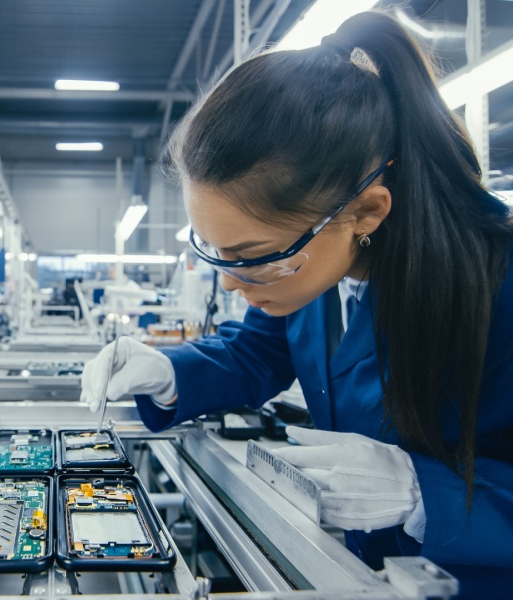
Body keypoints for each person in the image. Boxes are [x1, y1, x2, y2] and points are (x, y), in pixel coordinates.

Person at [80, 11, 513, 598]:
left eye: (251, 255)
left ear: (366, 213)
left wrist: (426, 494)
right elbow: (258, 348)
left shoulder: (498, 284)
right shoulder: (313, 268)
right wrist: (167, 372)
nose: (232, 283)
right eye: (213, 248)